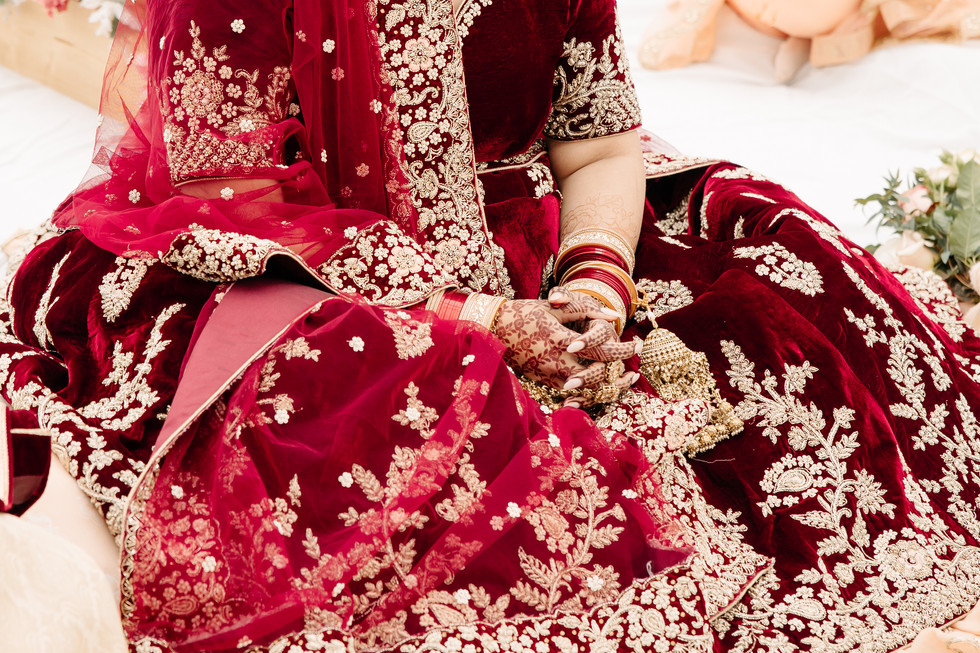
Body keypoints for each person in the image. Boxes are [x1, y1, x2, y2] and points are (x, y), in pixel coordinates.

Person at [2, 0, 980, 651]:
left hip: (536, 234)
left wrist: (595, 282)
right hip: (304, 263)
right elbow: (231, 193)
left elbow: (599, 142)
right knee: (381, 394)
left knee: (778, 275)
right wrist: (482, 317)